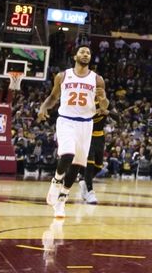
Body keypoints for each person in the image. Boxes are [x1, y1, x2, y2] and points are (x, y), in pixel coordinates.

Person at [37, 46, 108, 219]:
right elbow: (53, 97)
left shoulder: (97, 80)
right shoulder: (62, 76)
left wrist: (103, 98)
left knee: (77, 165)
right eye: (82, 51)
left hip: (86, 123)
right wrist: (43, 107)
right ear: (75, 56)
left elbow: (104, 108)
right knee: (68, 154)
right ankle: (56, 181)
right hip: (66, 120)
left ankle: (62, 199)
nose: (85, 54)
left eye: (89, 53)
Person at [80, 107, 111, 204]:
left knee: (98, 167)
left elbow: (118, 117)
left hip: (100, 138)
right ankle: (90, 192)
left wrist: (107, 112)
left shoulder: (104, 103)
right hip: (87, 136)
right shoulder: (86, 103)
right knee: (89, 165)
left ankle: (85, 183)